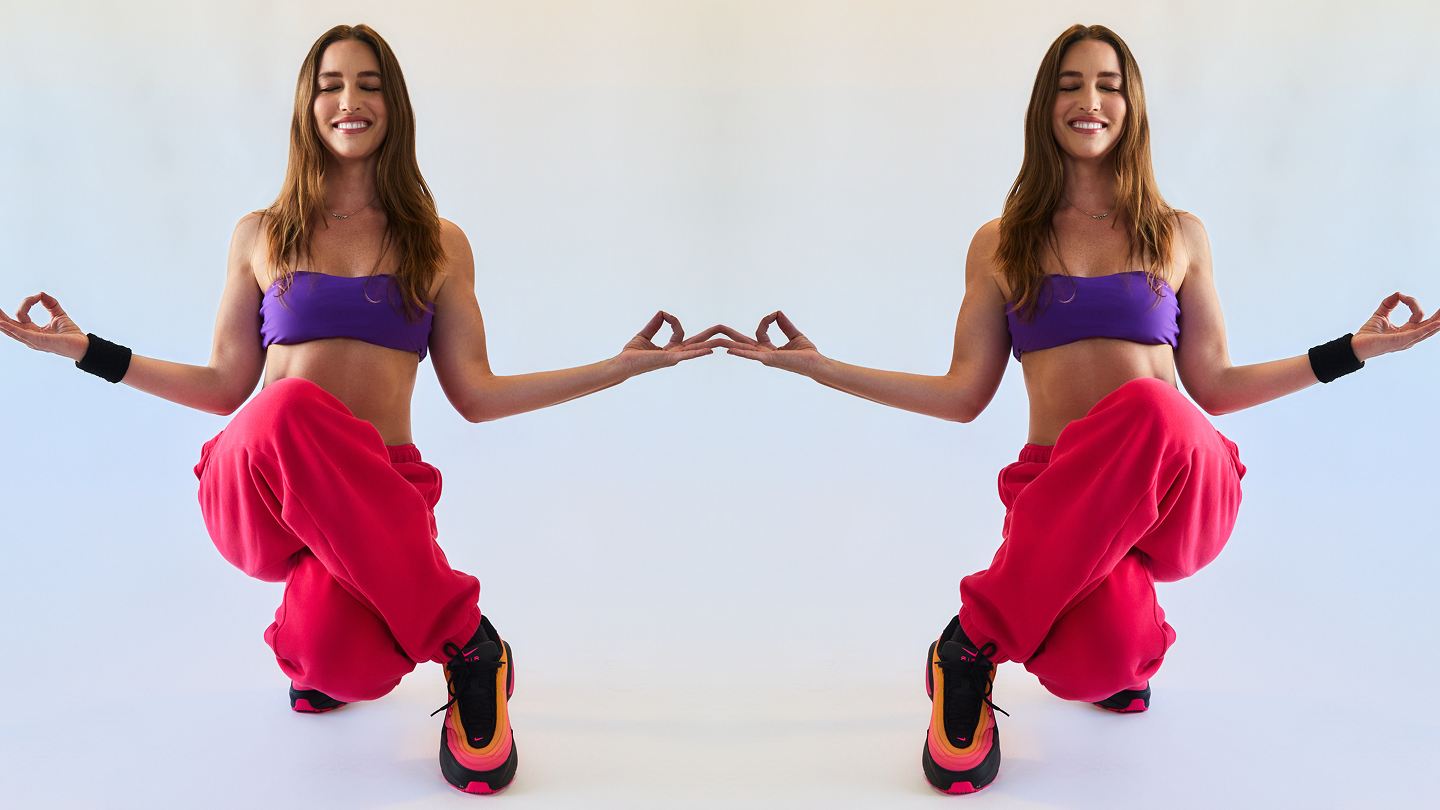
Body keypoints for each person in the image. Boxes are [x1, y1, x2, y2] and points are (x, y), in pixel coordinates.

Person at [706, 23, 1440, 794]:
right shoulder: (1001, 244)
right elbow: (962, 396)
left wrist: (1352, 350)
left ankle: (968, 646)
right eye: (1070, 85)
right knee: (1100, 669)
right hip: (1064, 498)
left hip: (1182, 490)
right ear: (1044, 107)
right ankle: (1119, 624)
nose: (1089, 101)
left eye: (1108, 85)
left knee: (1153, 410)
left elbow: (1216, 386)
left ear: (1132, 106)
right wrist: (822, 369)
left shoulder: (1178, 234)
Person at [0, 24, 718, 795]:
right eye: (331, 84)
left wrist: (616, 369)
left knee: (340, 668)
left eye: (370, 84)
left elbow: (477, 395)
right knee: (286, 411)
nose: (350, 100)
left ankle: (319, 630)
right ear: (309, 105)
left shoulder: (437, 244)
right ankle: (471, 643)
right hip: (258, 490)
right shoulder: (260, 234)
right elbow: (221, 387)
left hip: (376, 499)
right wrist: (87, 350)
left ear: (394, 105)